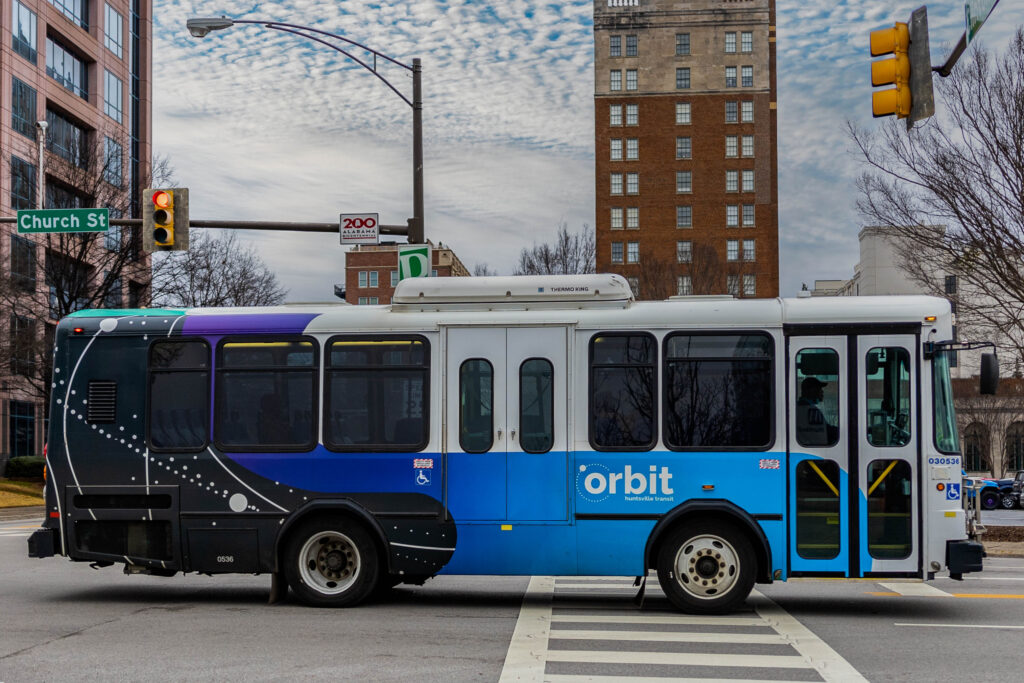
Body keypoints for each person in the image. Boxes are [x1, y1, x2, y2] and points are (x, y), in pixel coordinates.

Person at [796, 377, 838, 446]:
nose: (822, 392)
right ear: (810, 391)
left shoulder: (797, 408)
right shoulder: (811, 410)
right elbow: (827, 430)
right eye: (819, 389)